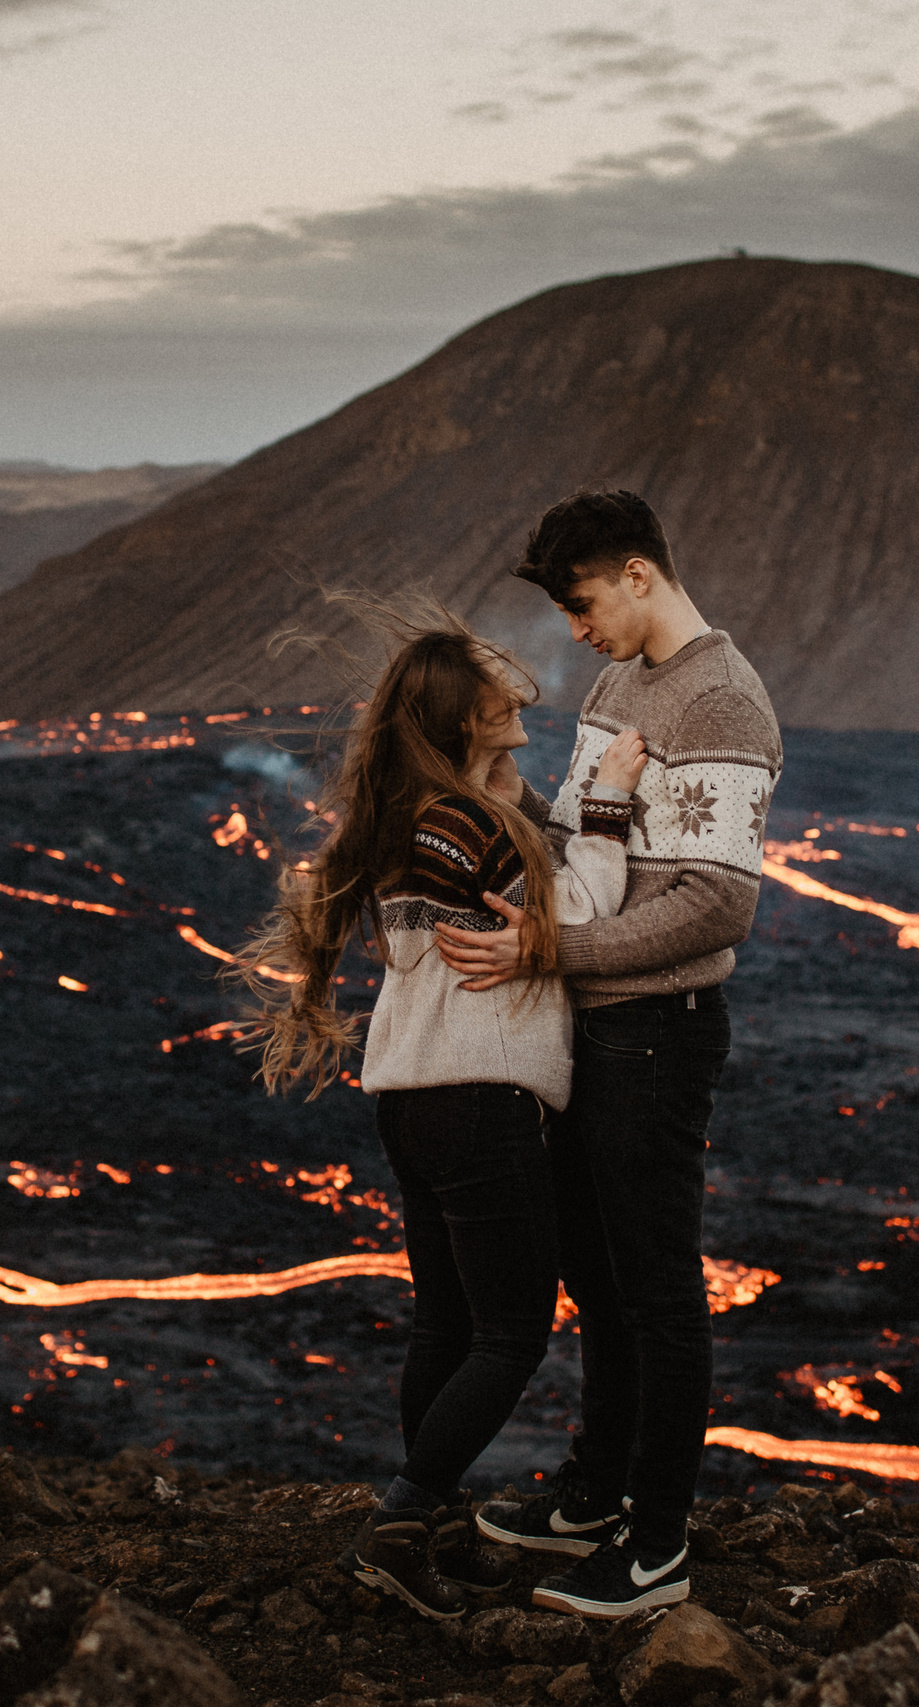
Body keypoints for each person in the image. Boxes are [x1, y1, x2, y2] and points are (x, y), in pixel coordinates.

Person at [237, 609, 649, 1621]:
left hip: (411, 1097)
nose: (515, 691)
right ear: (468, 717)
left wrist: (516, 796)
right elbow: (581, 917)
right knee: (510, 1335)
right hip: (481, 1094)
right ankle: (399, 1525)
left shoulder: (424, 813)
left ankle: (423, 1532)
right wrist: (606, 803)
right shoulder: (462, 822)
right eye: (494, 688)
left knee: (446, 1323)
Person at [435, 491, 781, 1620]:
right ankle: (594, 1495)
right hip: (591, 1025)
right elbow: (599, 841)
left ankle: (657, 1546)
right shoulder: (617, 685)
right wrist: (503, 794)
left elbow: (715, 904)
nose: (576, 631)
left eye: (582, 603)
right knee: (599, 1281)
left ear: (638, 574)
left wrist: (554, 950)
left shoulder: (721, 700)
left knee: (657, 1289)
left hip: (655, 1036)